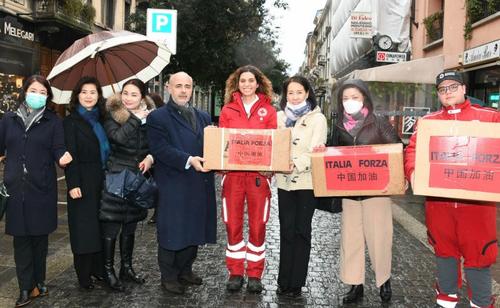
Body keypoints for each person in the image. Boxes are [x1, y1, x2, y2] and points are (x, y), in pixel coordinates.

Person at [404, 71, 498, 308]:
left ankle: (481, 302)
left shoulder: (490, 118)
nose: (448, 92)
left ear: (464, 88)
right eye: (442, 89)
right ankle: (446, 301)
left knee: (479, 255)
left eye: (453, 87)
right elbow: (413, 151)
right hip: (440, 205)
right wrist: (413, 172)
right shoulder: (427, 122)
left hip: (476, 207)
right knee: (444, 253)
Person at [0, 75, 72, 307]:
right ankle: (24, 288)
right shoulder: (9, 120)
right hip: (16, 190)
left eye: (43, 92)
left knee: (40, 240)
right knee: (21, 241)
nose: (38, 95)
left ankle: (39, 281)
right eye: (34, 90)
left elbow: (58, 148)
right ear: (25, 92)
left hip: (42, 190)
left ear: (48, 96)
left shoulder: (53, 121)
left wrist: (63, 157)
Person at [146, 72, 216, 295]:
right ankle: (168, 276)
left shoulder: (204, 116)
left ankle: (186, 270)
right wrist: (188, 160)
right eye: (179, 86)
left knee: (194, 228)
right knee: (172, 230)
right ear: (168, 87)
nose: (183, 90)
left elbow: (211, 147)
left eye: (187, 86)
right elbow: (160, 149)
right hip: (174, 182)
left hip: (199, 182)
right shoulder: (158, 117)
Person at [333, 79, 401, 304]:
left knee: (379, 238)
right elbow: (332, 152)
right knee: (351, 240)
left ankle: (384, 281)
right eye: (345, 98)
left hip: (376, 192)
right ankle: (355, 285)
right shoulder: (339, 125)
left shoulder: (379, 123)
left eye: (354, 97)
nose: (349, 102)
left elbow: (397, 148)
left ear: (364, 98)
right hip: (350, 193)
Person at [219, 65, 277, 293]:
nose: (247, 85)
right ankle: (235, 272)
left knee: (258, 225)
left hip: (258, 177)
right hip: (232, 176)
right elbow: (223, 143)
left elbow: (274, 143)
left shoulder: (268, 111)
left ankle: (254, 273)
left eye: (251, 80)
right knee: (232, 223)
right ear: (237, 83)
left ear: (258, 83)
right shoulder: (227, 110)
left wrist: (270, 168)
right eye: (243, 81)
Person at [100, 78, 155, 291]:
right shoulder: (113, 114)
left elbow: (156, 144)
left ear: (142, 97)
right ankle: (108, 271)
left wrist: (151, 158)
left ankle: (126, 267)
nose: (128, 98)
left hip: (137, 179)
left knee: (130, 226)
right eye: (125, 93)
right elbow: (118, 138)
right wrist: (134, 118)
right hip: (116, 177)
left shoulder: (150, 117)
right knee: (112, 226)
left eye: (134, 94)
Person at [275, 76, 327, 298]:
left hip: (306, 183)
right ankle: (283, 279)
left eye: (299, 92)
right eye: (290, 93)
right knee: (286, 231)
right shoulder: (278, 117)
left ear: (307, 93)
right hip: (284, 183)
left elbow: (317, 150)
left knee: (301, 232)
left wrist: (295, 163)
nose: (294, 96)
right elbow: (274, 145)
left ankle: (296, 282)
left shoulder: (318, 119)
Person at [63, 76, 109, 290]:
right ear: (77, 96)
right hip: (81, 180)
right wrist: (73, 184)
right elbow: (70, 155)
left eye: (93, 92)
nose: (89, 96)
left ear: (99, 95)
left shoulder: (103, 120)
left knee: (100, 227)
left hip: (102, 180)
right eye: (84, 92)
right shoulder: (70, 122)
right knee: (83, 229)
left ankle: (98, 269)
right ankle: (83, 274)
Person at [144, 92, 164, 225]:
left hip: (157, 158)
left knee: (158, 186)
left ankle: (158, 213)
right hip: (144, 156)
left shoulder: (160, 119)